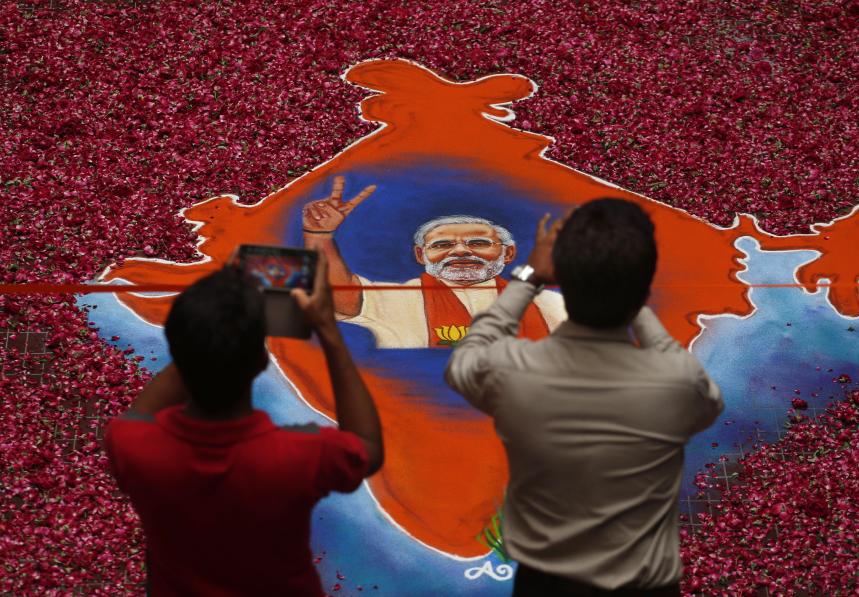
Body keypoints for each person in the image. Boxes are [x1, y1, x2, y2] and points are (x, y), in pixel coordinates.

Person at [444, 198, 723, 596]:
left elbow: (468, 354)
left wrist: (528, 276)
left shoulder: (511, 370)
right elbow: (701, 392)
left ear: (562, 282)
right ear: (642, 288)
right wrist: (630, 295)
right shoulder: (677, 380)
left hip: (546, 584)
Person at [104, 251, 383, 596]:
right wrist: (329, 332)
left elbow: (144, 410)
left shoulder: (130, 443)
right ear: (260, 361)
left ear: (178, 350)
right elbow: (368, 450)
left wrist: (209, 328)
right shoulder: (299, 455)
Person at [302, 175, 566, 348]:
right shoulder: (400, 299)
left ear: (507, 254)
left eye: (478, 243)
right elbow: (338, 296)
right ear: (421, 255)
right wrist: (320, 236)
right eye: (443, 245)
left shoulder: (550, 304)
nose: (460, 252)